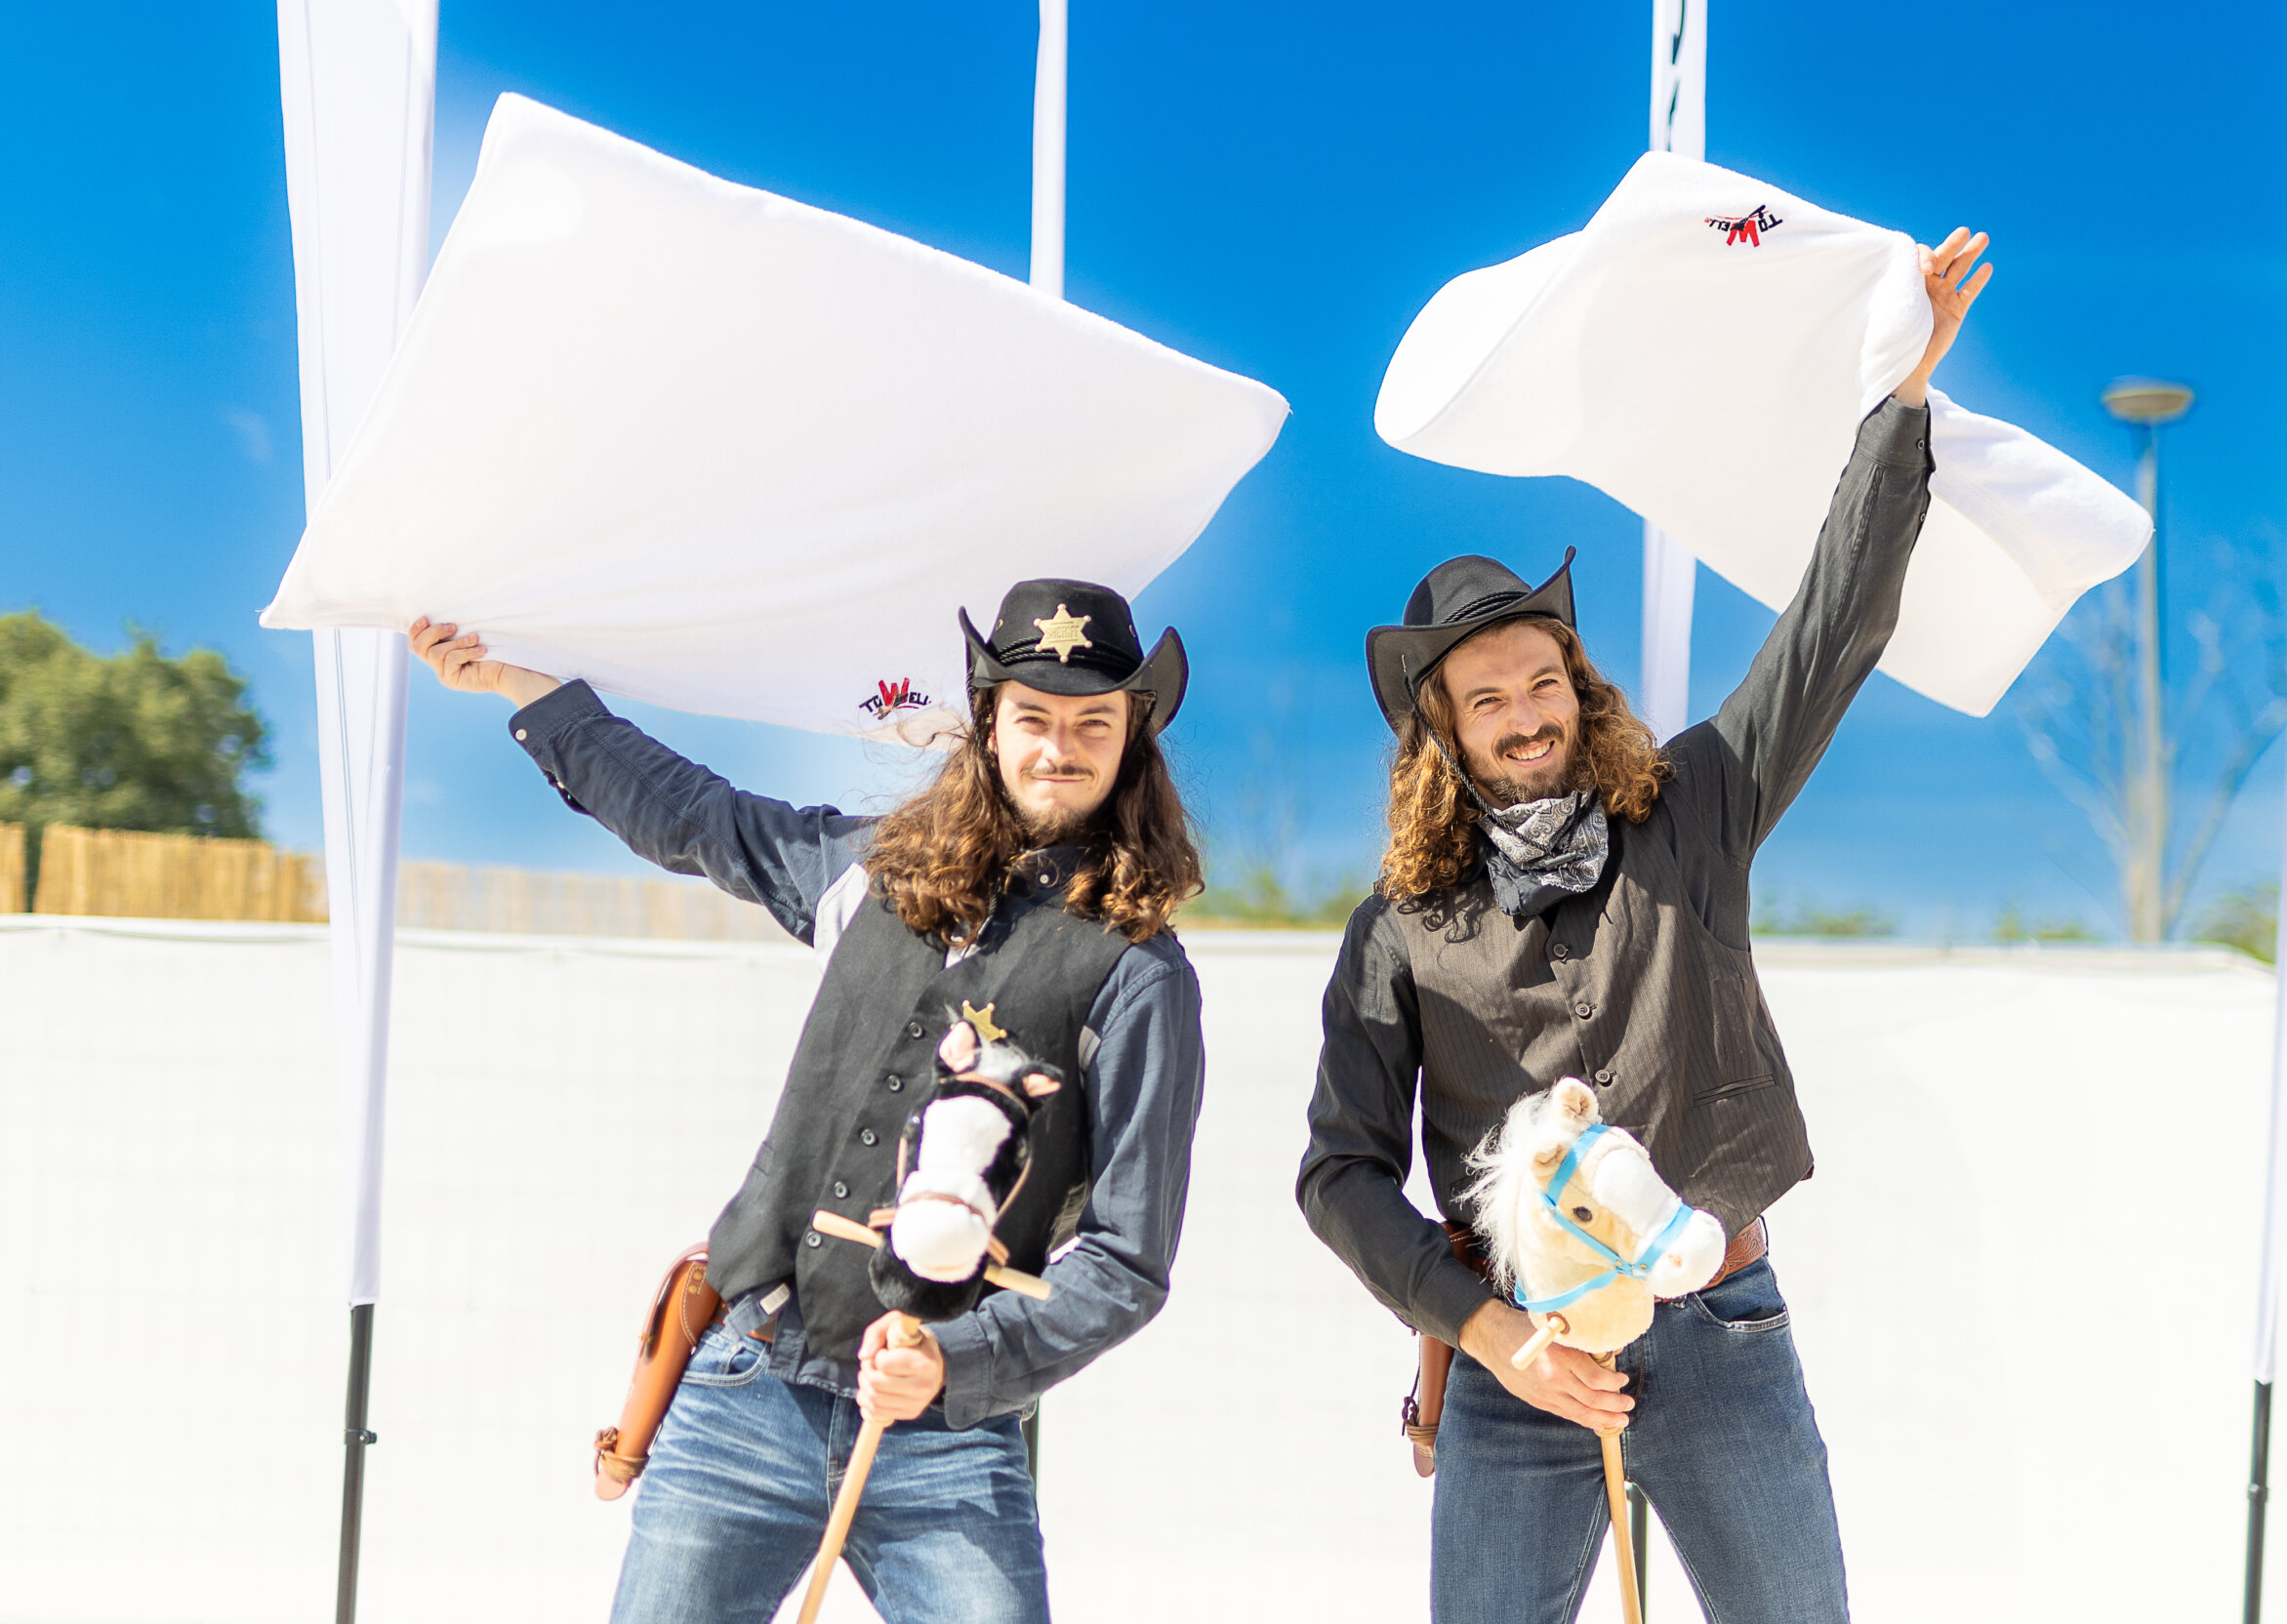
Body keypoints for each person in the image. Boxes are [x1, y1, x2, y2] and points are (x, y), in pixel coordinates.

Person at [1297, 228, 1994, 1624]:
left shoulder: (1695, 810)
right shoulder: (1397, 928)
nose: (1524, 714)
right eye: (1486, 699)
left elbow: (1830, 629)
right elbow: (1341, 1172)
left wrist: (1902, 396)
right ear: (1441, 732)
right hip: (1522, 1359)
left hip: (1722, 1330)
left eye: (1540, 680)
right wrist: (1482, 1334)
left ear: (1579, 683)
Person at [410, 578, 1207, 1624]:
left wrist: (954, 1362)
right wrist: (531, 689)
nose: (1059, 746)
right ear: (989, 723)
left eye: (1091, 723)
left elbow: (1125, 1262)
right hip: (747, 1393)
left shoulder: (1140, 975)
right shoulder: (864, 872)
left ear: (1130, 739)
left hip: (950, 1442)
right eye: (1034, 718)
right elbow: (697, 815)